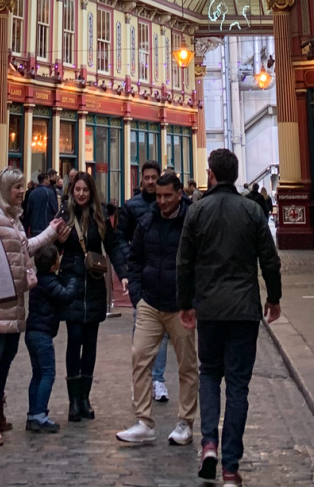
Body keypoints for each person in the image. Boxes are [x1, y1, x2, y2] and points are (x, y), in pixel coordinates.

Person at [178, 148, 281, 486]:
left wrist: (186, 303)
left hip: (209, 307)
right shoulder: (252, 211)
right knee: (238, 385)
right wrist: (274, 298)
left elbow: (185, 262)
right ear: (235, 175)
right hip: (243, 309)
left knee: (209, 375)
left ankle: (209, 443)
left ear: (211, 174)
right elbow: (269, 259)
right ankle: (231, 467)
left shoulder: (197, 211)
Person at [0, 167, 66, 445]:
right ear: (3, 189)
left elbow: (26, 248)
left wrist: (50, 232)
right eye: (17, 188)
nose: (22, 192)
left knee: (8, 353)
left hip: (12, 297)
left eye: (23, 187)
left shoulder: (14, 219)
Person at [117, 169, 198, 448]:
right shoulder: (148, 220)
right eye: (159, 196)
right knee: (140, 356)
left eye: (167, 196)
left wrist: (193, 300)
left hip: (181, 304)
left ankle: (186, 422)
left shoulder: (192, 220)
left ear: (179, 194)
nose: (161, 201)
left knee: (187, 364)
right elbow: (135, 257)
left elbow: (200, 261)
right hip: (151, 301)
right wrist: (139, 295)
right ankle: (143, 421)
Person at [59, 170, 121, 421]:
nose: (81, 194)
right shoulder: (64, 215)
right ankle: (73, 400)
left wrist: (124, 272)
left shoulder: (100, 216)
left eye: (85, 190)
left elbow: (114, 246)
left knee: (91, 341)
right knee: (74, 339)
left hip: (94, 284)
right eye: (77, 190)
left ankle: (85, 397)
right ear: (72, 191)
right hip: (72, 282)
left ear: (91, 191)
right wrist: (58, 241)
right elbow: (51, 249)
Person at [116, 160, 171, 401]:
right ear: (141, 179)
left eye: (153, 177)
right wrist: (130, 267)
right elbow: (120, 239)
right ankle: (141, 380)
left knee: (164, 333)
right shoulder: (131, 206)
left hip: (167, 277)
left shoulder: (169, 204)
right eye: (146, 177)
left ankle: (157, 379)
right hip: (143, 277)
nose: (149, 181)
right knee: (142, 331)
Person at [24, 242, 76, 433]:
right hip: (43, 334)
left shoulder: (38, 280)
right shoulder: (51, 282)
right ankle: (40, 414)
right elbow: (66, 295)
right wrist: (73, 281)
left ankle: (32, 414)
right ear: (54, 265)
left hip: (32, 332)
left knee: (37, 373)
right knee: (47, 373)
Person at [23, 170, 59, 237]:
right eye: (48, 179)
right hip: (46, 228)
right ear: (45, 180)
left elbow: (28, 211)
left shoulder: (32, 193)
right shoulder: (49, 192)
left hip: (34, 228)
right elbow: (55, 209)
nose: (49, 181)